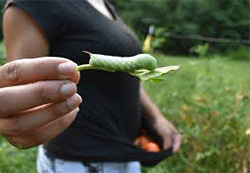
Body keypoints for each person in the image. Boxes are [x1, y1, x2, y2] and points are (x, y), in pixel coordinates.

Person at [2, 0, 182, 172]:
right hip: (80, 160)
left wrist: (156, 118)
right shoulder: (34, 3)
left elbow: (128, 75)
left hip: (124, 151)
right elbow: (23, 91)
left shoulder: (104, 5)